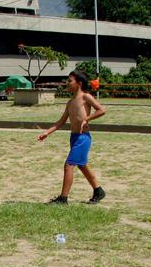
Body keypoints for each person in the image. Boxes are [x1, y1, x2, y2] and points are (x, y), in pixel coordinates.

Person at [38, 70, 106, 204]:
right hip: (74, 137)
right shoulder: (70, 102)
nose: (67, 83)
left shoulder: (86, 97)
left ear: (79, 83)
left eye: (70, 81)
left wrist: (87, 119)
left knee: (69, 165)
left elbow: (102, 110)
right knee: (82, 165)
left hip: (83, 138)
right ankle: (99, 191)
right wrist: (47, 132)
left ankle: (63, 198)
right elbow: (61, 122)